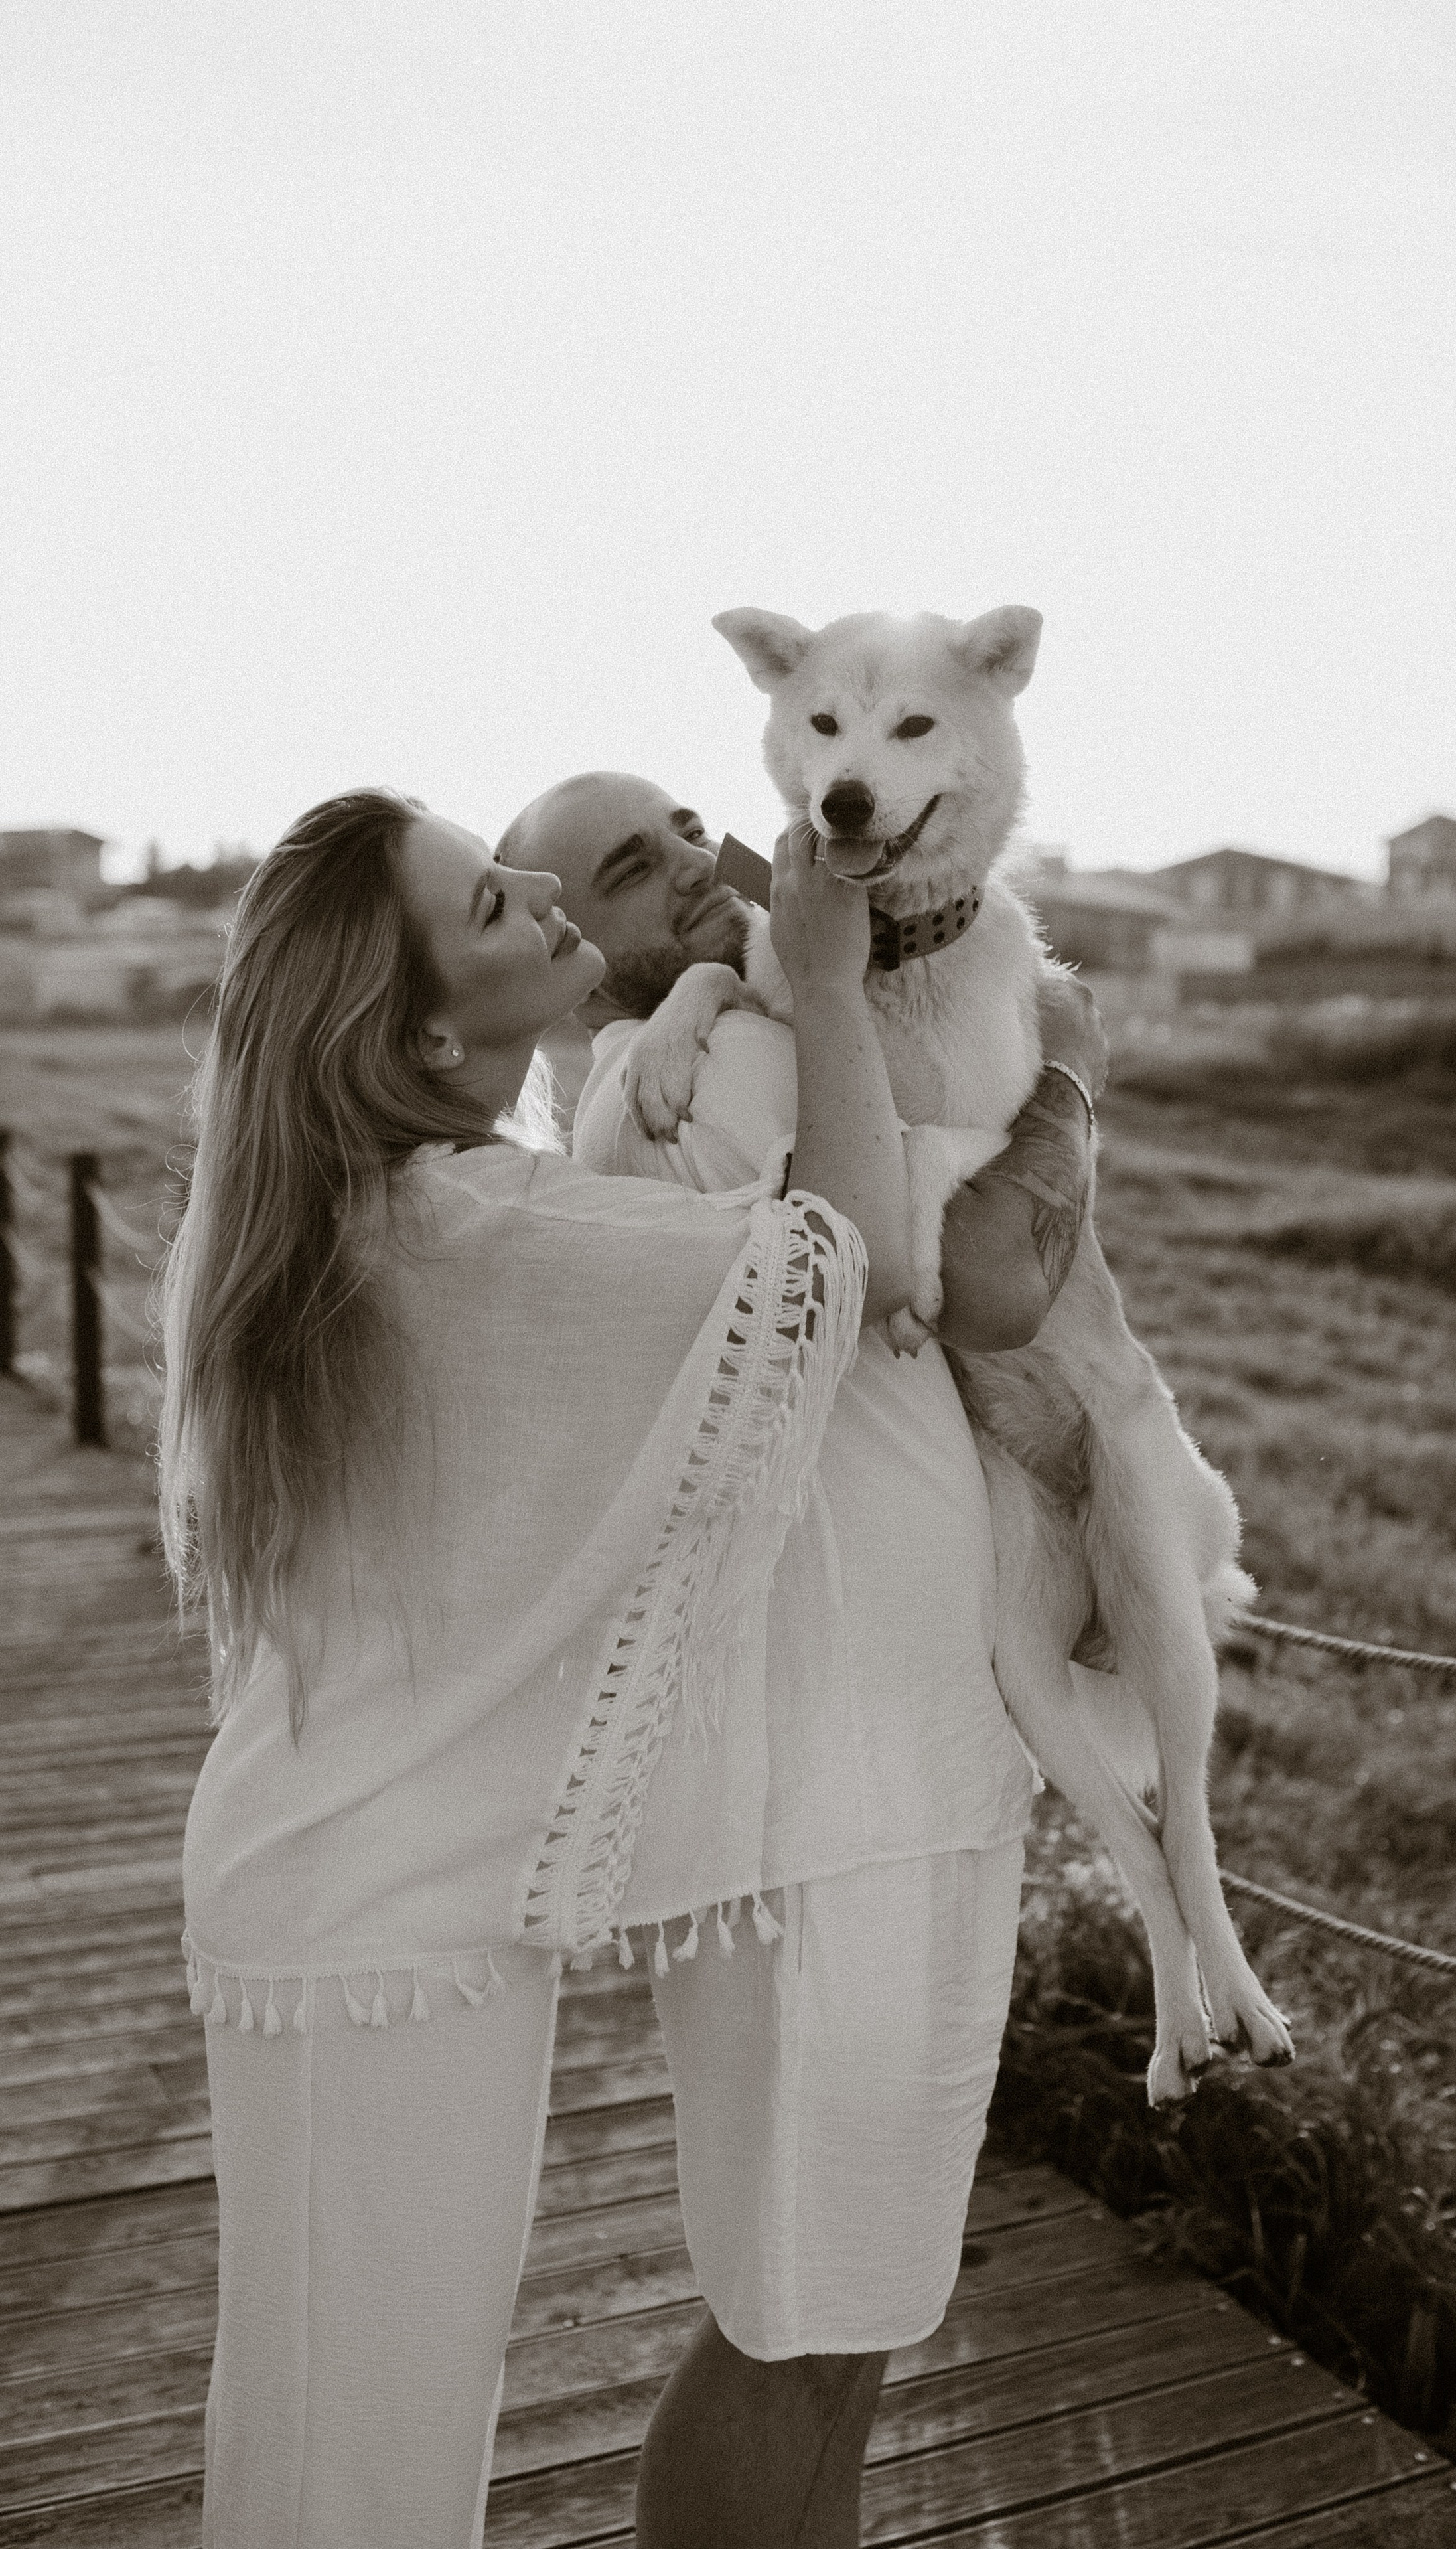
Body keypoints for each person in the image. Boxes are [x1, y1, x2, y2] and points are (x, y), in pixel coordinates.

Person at [163, 787, 916, 2549]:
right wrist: (820, 973)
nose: (532, 892)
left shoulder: (356, 1207)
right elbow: (838, 1263)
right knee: (379, 2451)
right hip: (390, 1932)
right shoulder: (470, 1227)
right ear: (424, 1025)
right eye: (488, 905)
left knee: (310, 2413)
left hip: (310, 1886)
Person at [501, 770, 1107, 2549]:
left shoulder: (752, 1041)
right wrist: (1032, 1064)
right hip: (825, 1811)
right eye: (635, 869)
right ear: (575, 949)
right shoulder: (673, 1082)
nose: (697, 863)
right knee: (791, 2329)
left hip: (905, 1781)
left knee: (849, 2328)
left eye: (690, 826)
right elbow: (955, 1275)